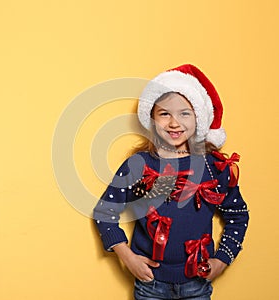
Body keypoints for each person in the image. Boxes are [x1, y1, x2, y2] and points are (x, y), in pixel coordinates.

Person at [93, 64, 249, 299]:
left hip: (197, 284)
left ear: (199, 117)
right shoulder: (139, 165)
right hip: (150, 285)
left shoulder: (213, 167)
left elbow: (238, 215)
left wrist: (222, 260)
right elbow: (105, 212)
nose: (174, 123)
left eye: (184, 113)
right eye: (165, 113)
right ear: (151, 118)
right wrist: (128, 257)